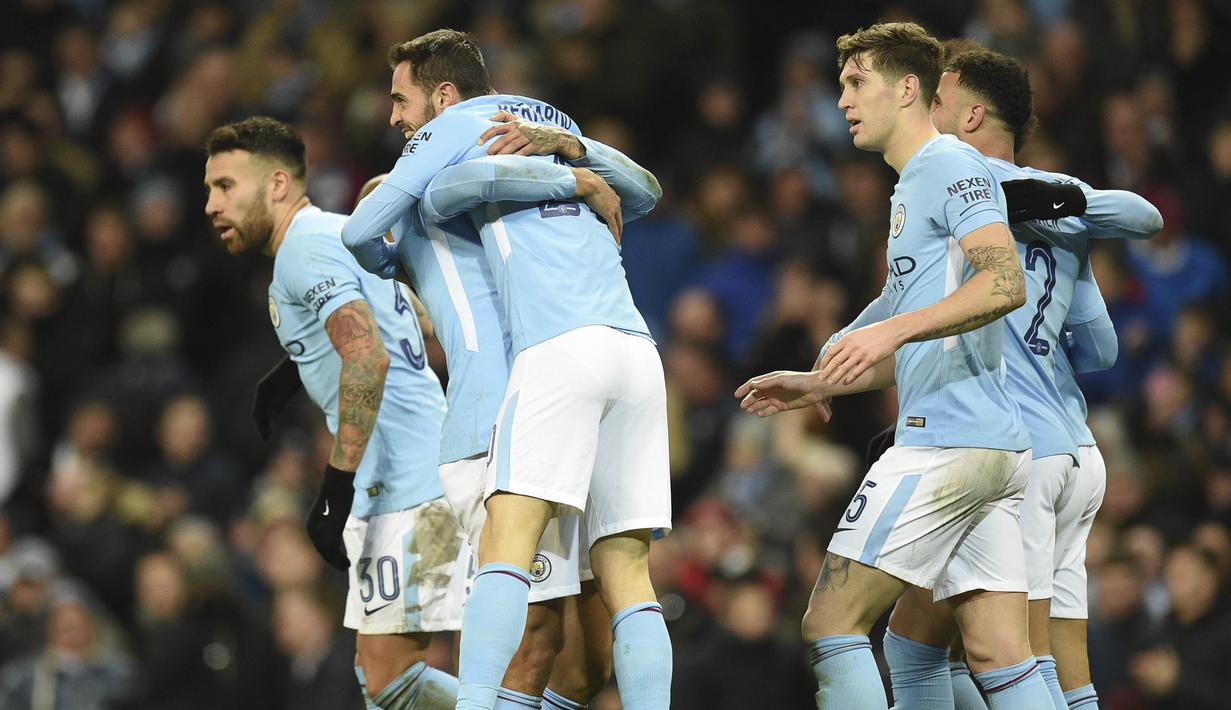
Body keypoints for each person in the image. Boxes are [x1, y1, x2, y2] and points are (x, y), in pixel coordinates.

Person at [341, 29, 671, 710]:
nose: (396, 122)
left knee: (568, 653)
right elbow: (639, 191)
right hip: (533, 400)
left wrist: (567, 159)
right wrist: (574, 168)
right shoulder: (456, 190)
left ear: (443, 97)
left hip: (546, 381)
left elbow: (386, 221)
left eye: (402, 104)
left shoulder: (465, 162)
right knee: (560, 624)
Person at [735, 22, 1052, 708]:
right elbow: (917, 328)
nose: (842, 99)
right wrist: (824, 380)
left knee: (830, 622)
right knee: (999, 654)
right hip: (987, 448)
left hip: (946, 442)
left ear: (908, 88)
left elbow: (1003, 283)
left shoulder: (947, 165)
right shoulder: (913, 182)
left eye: (856, 83)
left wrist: (886, 334)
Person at [883, 46, 1162, 710]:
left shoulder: (942, 186)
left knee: (1002, 653)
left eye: (940, 101)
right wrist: (1063, 208)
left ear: (972, 113)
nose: (927, 112)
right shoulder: (1062, 212)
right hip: (1076, 456)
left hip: (1012, 453)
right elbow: (1098, 347)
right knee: (1062, 668)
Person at [203, 116, 464, 709]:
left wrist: (335, 484)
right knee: (382, 680)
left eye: (225, 186)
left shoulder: (301, 251)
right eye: (209, 189)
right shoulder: (341, 233)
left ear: (275, 184)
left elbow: (367, 356)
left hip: (405, 480)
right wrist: (292, 373)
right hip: (418, 468)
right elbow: (405, 325)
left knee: (392, 680)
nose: (212, 205)